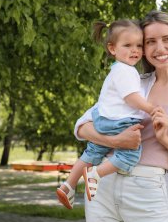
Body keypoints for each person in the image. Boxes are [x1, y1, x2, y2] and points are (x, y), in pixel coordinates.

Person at [74, 10, 168, 222]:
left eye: (167, 39)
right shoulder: (132, 83)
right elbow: (82, 126)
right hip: (104, 186)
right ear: (143, 49)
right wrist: (114, 141)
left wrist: (166, 141)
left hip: (150, 190)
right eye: (150, 42)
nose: (159, 48)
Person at [56, 19, 156, 209]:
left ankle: (68, 185)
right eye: (127, 45)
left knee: (92, 152)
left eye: (138, 45)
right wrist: (151, 108)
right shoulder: (127, 71)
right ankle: (96, 174)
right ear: (112, 49)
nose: (134, 50)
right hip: (120, 123)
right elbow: (132, 98)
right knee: (129, 156)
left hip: (103, 121)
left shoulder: (115, 71)